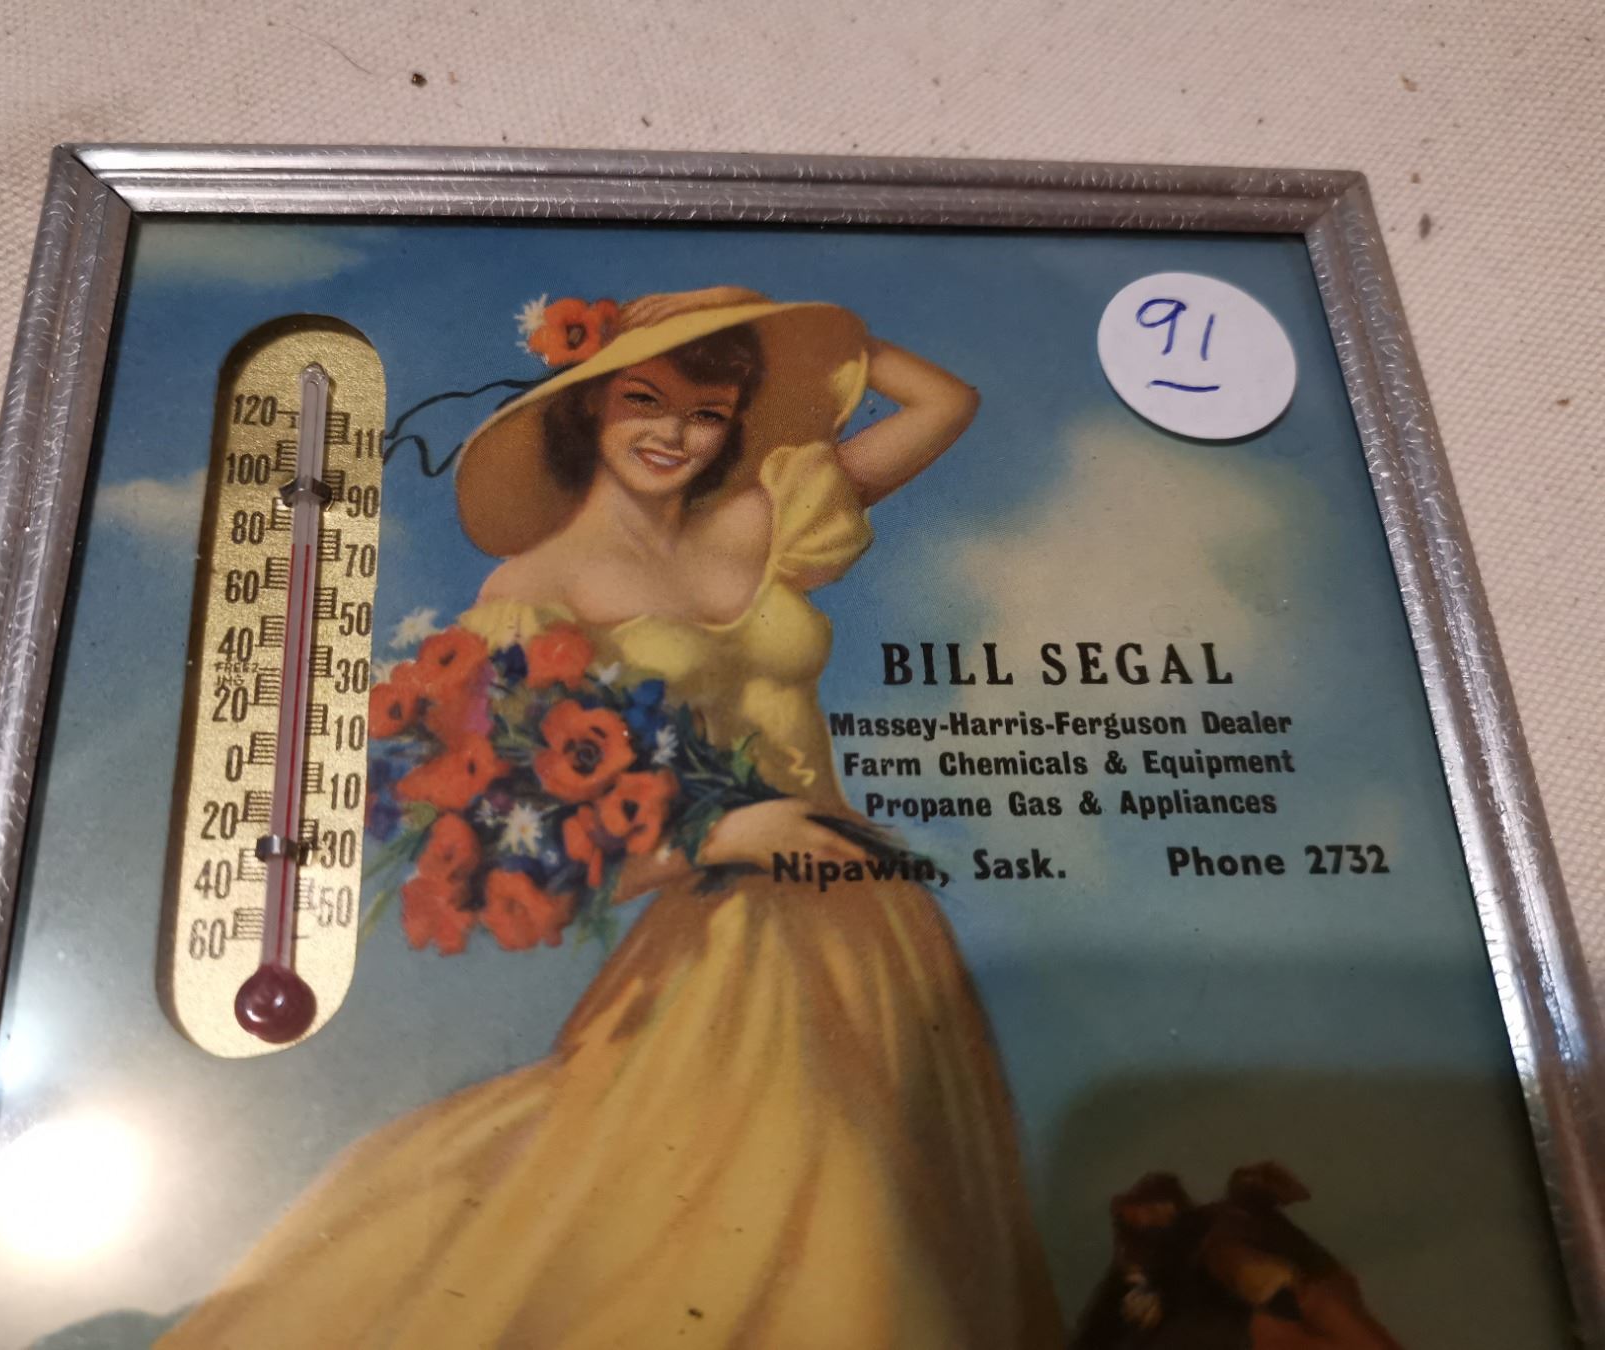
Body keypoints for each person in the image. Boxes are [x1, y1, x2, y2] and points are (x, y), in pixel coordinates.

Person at [159, 287, 1063, 1348]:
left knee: (908, 1220)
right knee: (800, 1233)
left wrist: (780, 324)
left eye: (708, 413)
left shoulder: (761, 520)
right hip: (726, 947)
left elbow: (946, 405)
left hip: (869, 925)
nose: (674, 434)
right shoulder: (532, 592)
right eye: (644, 400)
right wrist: (719, 836)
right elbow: (515, 854)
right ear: (589, 403)